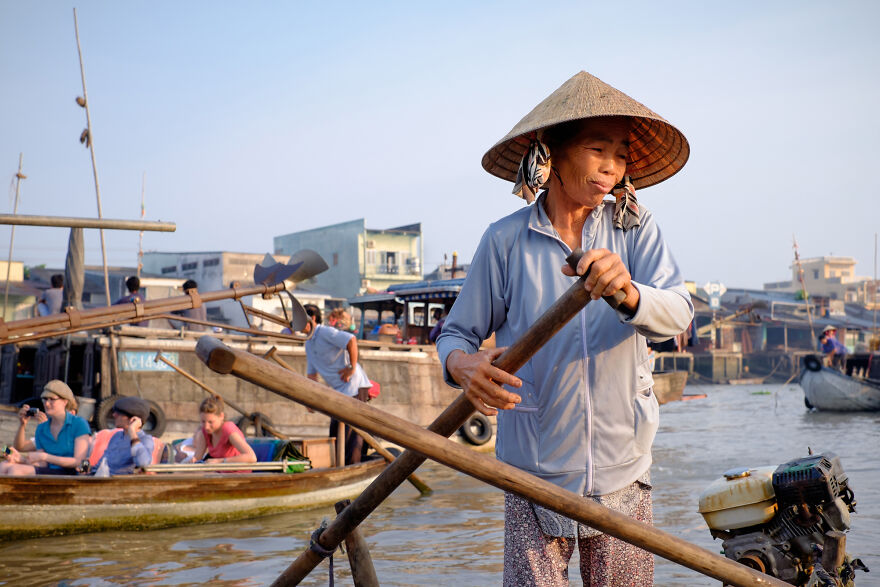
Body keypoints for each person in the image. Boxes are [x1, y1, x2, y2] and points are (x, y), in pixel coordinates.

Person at [436, 71, 693, 586]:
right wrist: (464, 365)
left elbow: (678, 313)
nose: (611, 167)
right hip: (533, 470)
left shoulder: (634, 227)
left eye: (620, 153)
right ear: (550, 155)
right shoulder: (506, 241)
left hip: (623, 465)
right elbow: (456, 334)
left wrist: (631, 292)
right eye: (597, 149)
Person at [304, 304, 372, 465]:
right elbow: (312, 374)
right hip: (339, 392)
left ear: (312, 319)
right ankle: (340, 465)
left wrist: (351, 367)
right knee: (336, 432)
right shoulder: (309, 343)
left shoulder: (324, 332)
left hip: (354, 386)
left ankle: (353, 466)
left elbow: (351, 340)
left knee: (352, 433)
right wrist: (310, 400)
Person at [0, 380, 90, 476]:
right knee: (4, 465)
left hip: (70, 473)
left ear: (65, 401)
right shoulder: (41, 428)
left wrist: (44, 456)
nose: (47, 403)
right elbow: (40, 462)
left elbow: (79, 461)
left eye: (52, 399)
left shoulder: (79, 423)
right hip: (49, 471)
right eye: (45, 399)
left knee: (15, 470)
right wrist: (21, 459)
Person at [189, 395, 256, 465]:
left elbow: (251, 457)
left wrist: (220, 461)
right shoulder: (205, 432)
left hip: (235, 472)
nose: (206, 427)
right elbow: (197, 458)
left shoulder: (228, 429)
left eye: (210, 422)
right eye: (203, 421)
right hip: (216, 472)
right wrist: (193, 460)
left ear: (221, 416)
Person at [99, 396, 155, 475]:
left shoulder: (145, 439)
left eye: (119, 413)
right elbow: (103, 462)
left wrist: (132, 432)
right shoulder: (116, 436)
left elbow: (143, 463)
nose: (114, 415)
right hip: (103, 479)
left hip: (123, 483)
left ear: (132, 418)